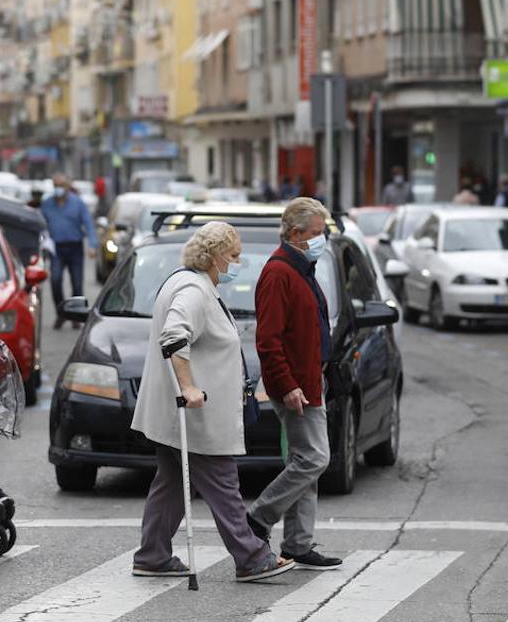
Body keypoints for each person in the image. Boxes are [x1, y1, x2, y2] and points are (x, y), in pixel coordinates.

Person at [130, 222, 295, 583]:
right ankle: (252, 557)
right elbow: (174, 335)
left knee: (171, 482)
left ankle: (152, 555)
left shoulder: (186, 281)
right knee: (223, 485)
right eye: (234, 255)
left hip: (178, 414)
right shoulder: (193, 288)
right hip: (196, 413)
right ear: (216, 256)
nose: (238, 262)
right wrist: (188, 387)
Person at [245, 198, 342, 571]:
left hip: (307, 379)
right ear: (296, 233)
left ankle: (298, 543)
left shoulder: (302, 266)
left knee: (305, 461)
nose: (321, 240)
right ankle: (258, 518)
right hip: (295, 385)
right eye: (317, 233)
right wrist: (287, 385)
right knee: (315, 459)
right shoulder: (279, 272)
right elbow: (268, 340)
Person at [39, 173, 97, 329]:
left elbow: (88, 224)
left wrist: (92, 245)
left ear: (67, 186)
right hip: (56, 249)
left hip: (75, 247)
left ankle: (76, 316)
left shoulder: (77, 203)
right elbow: (41, 226)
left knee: (77, 283)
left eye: (61, 185)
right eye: (56, 186)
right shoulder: (47, 204)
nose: (59, 189)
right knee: (55, 280)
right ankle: (61, 314)